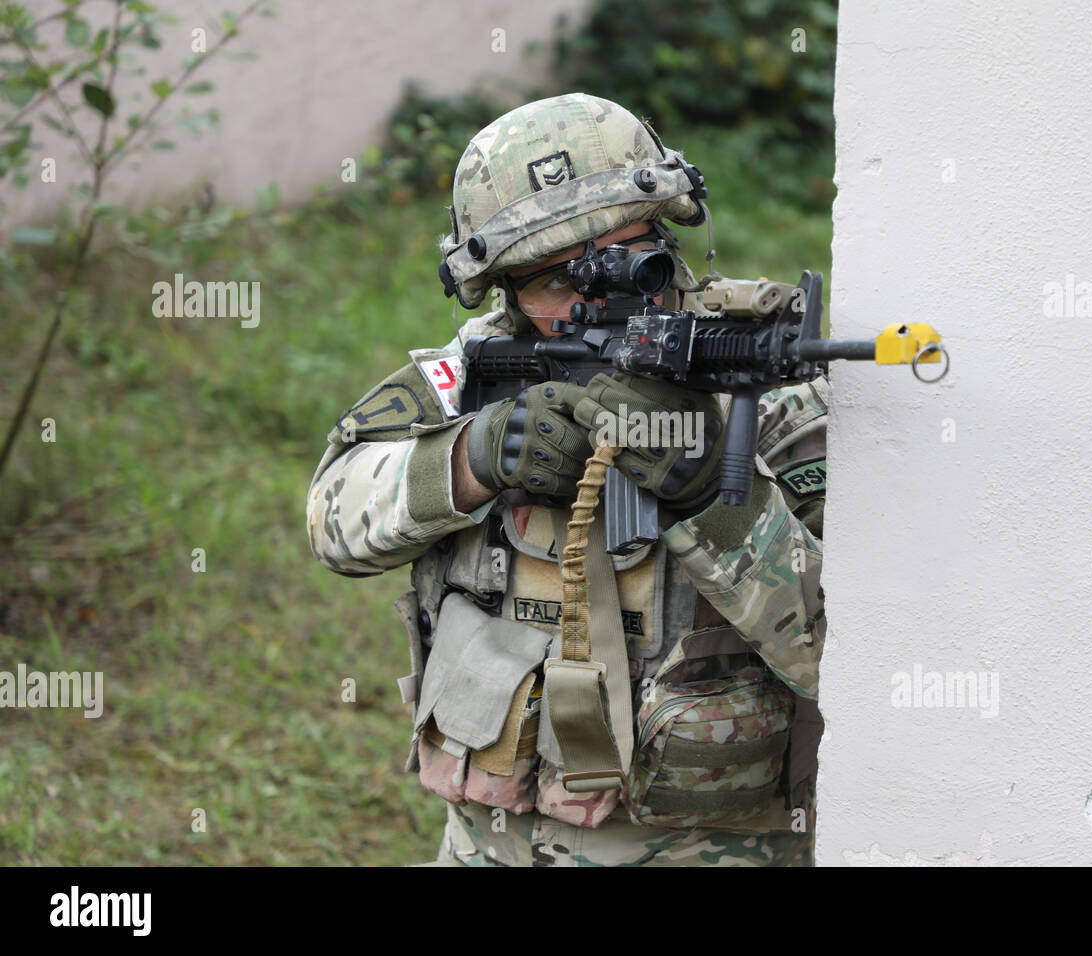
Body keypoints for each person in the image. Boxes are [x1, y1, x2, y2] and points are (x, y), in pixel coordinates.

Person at [306, 93, 828, 866]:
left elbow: (851, 652)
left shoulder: (763, 392)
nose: (602, 298)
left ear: (670, 238)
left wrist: (716, 499)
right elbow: (330, 522)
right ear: (505, 288)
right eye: (557, 279)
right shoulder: (475, 372)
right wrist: (471, 459)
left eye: (632, 258)